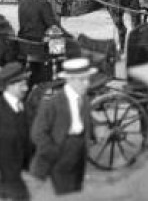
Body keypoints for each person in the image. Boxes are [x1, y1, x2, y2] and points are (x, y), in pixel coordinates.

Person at [30, 57, 96, 196]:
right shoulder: (52, 103)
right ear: (70, 80)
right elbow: (38, 133)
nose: (86, 84)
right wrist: (54, 151)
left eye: (87, 79)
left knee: (75, 189)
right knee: (65, 193)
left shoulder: (84, 99)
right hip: (60, 151)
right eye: (82, 79)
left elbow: (86, 121)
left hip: (79, 151)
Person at [0, 62, 33, 201]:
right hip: (4, 169)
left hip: (19, 170)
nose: (26, 88)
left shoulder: (25, 109)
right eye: (21, 85)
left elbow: (29, 141)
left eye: (26, 84)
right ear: (10, 85)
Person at [17, 0, 69, 90]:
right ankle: (57, 80)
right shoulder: (43, 2)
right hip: (38, 45)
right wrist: (69, 36)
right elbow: (52, 25)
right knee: (65, 46)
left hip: (23, 42)